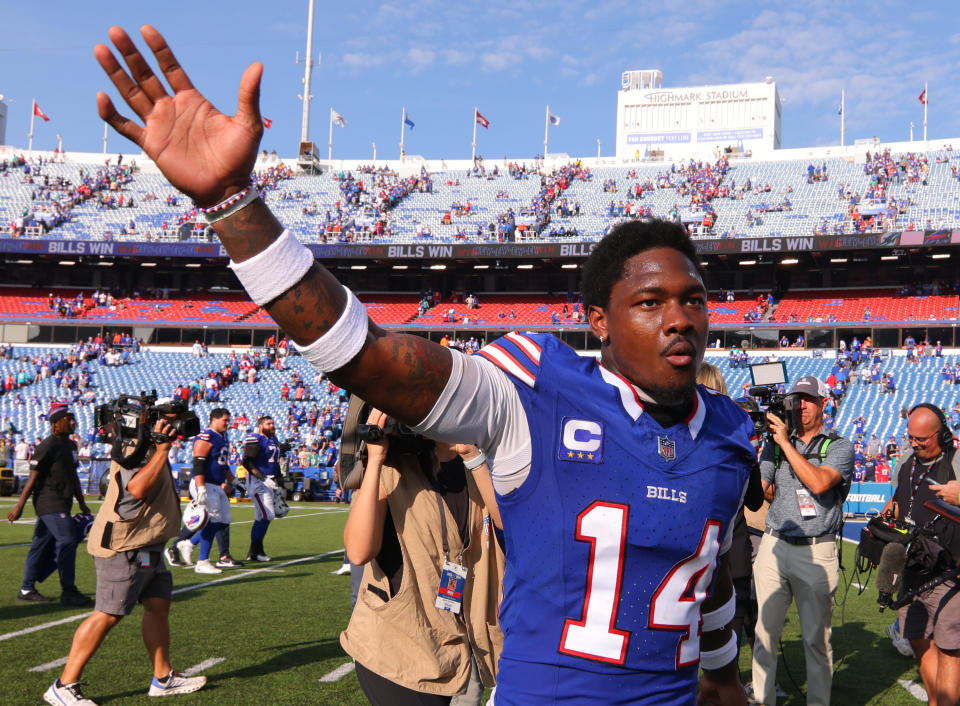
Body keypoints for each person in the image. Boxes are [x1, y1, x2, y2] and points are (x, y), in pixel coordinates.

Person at [93, 27, 756, 704]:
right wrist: (234, 206)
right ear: (599, 321)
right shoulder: (536, 390)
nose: (680, 319)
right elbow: (366, 356)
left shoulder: (730, 434)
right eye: (650, 302)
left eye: (694, 300)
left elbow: (707, 575)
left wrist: (725, 675)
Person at [43, 399, 206, 705]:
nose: (180, 423)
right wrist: (161, 449)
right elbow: (138, 489)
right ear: (155, 419)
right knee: (108, 614)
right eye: (174, 418)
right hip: (124, 543)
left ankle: (163, 677)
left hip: (148, 542)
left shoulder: (148, 443)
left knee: (158, 606)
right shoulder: (138, 446)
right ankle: (63, 686)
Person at [340, 405, 504, 705]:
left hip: (463, 643)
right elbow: (358, 550)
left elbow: (510, 525)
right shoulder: (392, 467)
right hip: (396, 643)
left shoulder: (479, 461)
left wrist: (473, 456)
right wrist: (374, 460)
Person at [750, 376, 854, 706]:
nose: (802, 405)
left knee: (816, 640)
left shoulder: (839, 446)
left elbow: (820, 483)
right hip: (775, 543)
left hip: (817, 548)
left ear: (824, 403)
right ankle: (763, 700)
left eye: (809, 399)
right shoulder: (776, 443)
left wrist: (784, 444)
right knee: (764, 635)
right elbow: (757, 493)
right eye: (797, 399)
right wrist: (748, 445)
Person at [884, 404, 960, 706]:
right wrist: (887, 518)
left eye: (922, 439)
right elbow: (900, 498)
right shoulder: (907, 460)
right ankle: (936, 700)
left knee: (950, 649)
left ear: (941, 434)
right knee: (917, 638)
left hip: (951, 572)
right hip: (912, 569)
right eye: (911, 437)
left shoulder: (957, 460)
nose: (915, 444)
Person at [7, 403, 92, 606]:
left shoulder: (71, 446)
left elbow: (72, 477)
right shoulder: (48, 445)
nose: (73, 422)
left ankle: (26, 589)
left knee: (40, 545)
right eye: (68, 419)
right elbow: (33, 478)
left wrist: (81, 503)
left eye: (73, 419)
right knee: (68, 539)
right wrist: (19, 505)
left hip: (63, 502)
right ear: (57, 423)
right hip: (49, 501)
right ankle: (69, 591)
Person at [165, 408, 241, 573]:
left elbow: (221, 463)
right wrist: (200, 488)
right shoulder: (206, 436)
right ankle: (202, 562)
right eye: (225, 420)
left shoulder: (222, 437)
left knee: (223, 521)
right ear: (214, 419)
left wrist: (232, 479)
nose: (228, 424)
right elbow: (198, 463)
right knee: (212, 520)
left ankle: (188, 543)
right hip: (205, 482)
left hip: (216, 483)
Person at [242, 416, 285, 561]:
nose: (272, 425)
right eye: (268, 423)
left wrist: (279, 481)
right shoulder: (255, 438)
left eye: (273, 423)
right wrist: (263, 478)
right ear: (260, 426)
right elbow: (247, 462)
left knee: (260, 517)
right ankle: (256, 552)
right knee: (268, 515)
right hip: (258, 481)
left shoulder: (274, 439)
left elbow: (275, 463)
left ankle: (254, 552)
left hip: (270, 481)